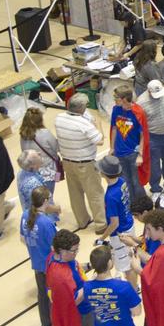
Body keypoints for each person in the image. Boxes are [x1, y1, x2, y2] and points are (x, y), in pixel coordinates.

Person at [46, 229, 97, 326]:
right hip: (80, 314)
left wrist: (89, 265)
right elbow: (73, 300)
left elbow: (74, 267)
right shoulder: (60, 277)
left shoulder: (54, 258)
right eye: (74, 251)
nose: (76, 253)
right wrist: (91, 284)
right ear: (61, 250)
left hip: (81, 308)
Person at [52, 94, 107, 233]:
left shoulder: (59, 118)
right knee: (95, 193)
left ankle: (82, 221)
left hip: (68, 162)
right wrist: (98, 124)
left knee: (75, 193)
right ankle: (101, 224)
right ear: (82, 108)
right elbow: (100, 140)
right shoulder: (83, 124)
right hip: (85, 163)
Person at [21, 186, 59, 326]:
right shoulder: (46, 223)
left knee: (42, 295)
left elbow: (23, 238)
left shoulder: (25, 215)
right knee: (53, 296)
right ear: (45, 201)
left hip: (37, 263)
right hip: (50, 265)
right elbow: (55, 247)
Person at [138, 79, 164, 195]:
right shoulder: (141, 102)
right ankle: (155, 188)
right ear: (148, 91)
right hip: (152, 138)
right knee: (154, 165)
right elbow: (139, 124)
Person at [110, 85, 148, 200]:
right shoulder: (116, 109)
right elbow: (114, 128)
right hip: (119, 152)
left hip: (133, 153)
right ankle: (131, 204)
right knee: (125, 181)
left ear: (125, 99)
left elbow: (143, 136)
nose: (114, 100)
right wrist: (112, 148)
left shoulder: (138, 112)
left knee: (137, 182)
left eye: (116, 98)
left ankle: (142, 205)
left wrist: (140, 155)